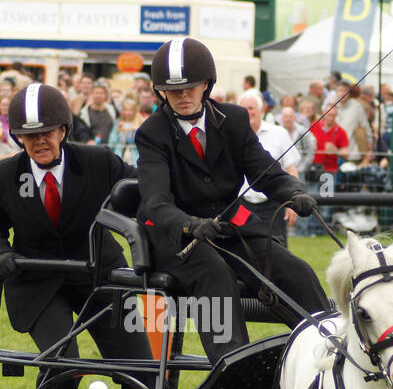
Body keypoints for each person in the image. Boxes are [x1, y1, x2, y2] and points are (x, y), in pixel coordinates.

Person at [0, 83, 168, 389]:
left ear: (64, 130)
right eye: (29, 136)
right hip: (38, 282)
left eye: (46, 132)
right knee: (62, 361)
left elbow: (140, 194)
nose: (39, 142)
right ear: (17, 137)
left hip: (99, 276)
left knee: (141, 365)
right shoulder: (2, 176)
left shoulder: (98, 162)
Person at [134, 37, 329, 362]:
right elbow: (155, 202)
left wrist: (294, 192)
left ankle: (327, 346)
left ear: (207, 84)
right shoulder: (151, 133)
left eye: (190, 87)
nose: (182, 95)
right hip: (177, 237)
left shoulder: (235, 119)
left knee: (294, 269)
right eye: (173, 89)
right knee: (215, 274)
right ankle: (232, 366)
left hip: (228, 226)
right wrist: (189, 224)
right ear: (160, 91)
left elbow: (265, 172)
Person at [236, 91, 301, 246]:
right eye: (243, 108)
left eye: (251, 108)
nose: (247, 112)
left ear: (262, 110)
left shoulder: (279, 133)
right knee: (242, 250)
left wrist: (294, 200)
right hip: (241, 205)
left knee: (278, 251)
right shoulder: (231, 135)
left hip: (273, 205)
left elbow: (291, 169)